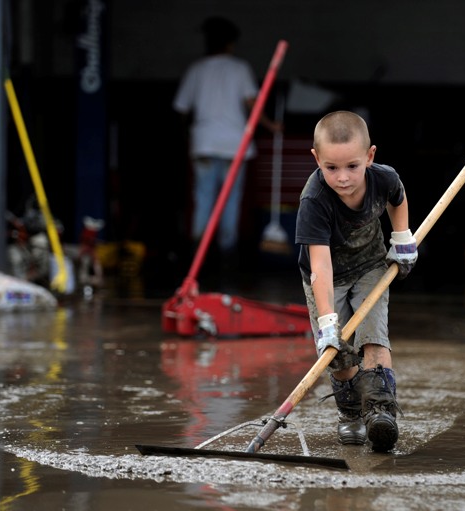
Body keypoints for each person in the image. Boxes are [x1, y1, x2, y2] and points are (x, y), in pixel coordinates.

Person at [295, 111, 418, 453]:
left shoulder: (384, 178)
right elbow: (320, 263)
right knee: (340, 356)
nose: (343, 178)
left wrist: (402, 237)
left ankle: (380, 412)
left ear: (370, 156)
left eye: (352, 166)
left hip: (370, 267)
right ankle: (350, 413)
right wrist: (327, 321)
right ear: (316, 159)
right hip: (326, 278)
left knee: (374, 338)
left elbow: (398, 196)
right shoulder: (314, 200)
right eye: (331, 168)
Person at [173, 16, 279, 266]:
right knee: (230, 202)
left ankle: (197, 255)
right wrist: (271, 125)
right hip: (234, 145)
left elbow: (181, 109)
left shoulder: (196, 69)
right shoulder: (240, 68)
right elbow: (252, 104)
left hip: (204, 144)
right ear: (231, 43)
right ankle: (227, 256)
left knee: (204, 199)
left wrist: (188, 137)